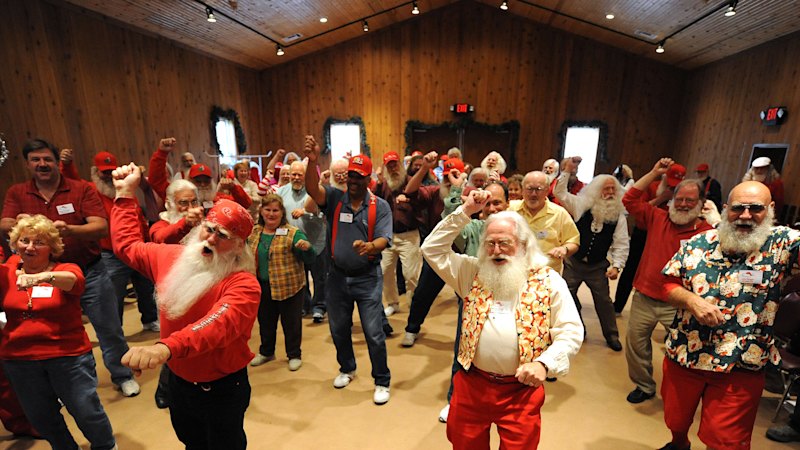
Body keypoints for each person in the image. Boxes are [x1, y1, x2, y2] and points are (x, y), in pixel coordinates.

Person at [111, 163, 260, 449]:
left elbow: (217, 325)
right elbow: (126, 246)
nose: (211, 239)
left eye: (223, 235)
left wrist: (164, 348)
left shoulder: (243, 284)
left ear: (239, 246)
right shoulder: (170, 256)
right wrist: (125, 194)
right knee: (190, 441)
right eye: (209, 229)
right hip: (179, 382)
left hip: (221, 389)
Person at [422, 189, 583, 449]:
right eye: (490, 243)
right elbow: (431, 249)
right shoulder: (472, 272)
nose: (497, 251)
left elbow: (571, 331)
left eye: (505, 243)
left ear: (524, 245)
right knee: (464, 444)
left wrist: (544, 364)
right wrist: (466, 212)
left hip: (521, 390)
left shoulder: (549, 281)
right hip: (472, 383)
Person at [658, 181, 800, 450]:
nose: (745, 215)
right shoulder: (698, 243)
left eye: (755, 208)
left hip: (741, 364)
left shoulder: (782, 243)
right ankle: (679, 443)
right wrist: (691, 301)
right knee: (675, 418)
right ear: (725, 209)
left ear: (770, 209)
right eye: (738, 208)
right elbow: (667, 283)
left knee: (725, 440)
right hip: (686, 352)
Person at [1, 138, 139, 397]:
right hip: (41, 277)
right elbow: (4, 224)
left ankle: (122, 374)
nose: (42, 164)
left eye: (47, 159)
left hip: (89, 270)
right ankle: (67, 385)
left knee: (108, 327)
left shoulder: (81, 188)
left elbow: (100, 227)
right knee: (50, 329)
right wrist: (20, 222)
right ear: (28, 164)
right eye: (35, 160)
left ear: (57, 162)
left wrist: (70, 229)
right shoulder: (17, 192)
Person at [1, 215, 116, 450]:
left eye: (39, 242)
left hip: (67, 356)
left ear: (52, 247)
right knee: (41, 416)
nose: (30, 247)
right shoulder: (7, 273)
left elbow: (74, 281)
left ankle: (105, 446)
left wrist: (41, 277)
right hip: (20, 359)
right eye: (24, 240)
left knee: (86, 411)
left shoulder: (66, 269)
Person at [303, 136, 393, 405]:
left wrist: (370, 246)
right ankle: (347, 368)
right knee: (339, 328)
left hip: (367, 278)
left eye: (359, 177)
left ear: (368, 180)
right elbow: (312, 188)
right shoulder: (334, 199)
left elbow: (384, 238)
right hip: (337, 277)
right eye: (351, 175)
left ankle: (382, 380)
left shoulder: (380, 206)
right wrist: (312, 161)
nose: (353, 181)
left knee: (373, 332)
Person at [622, 158, 713, 404]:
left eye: (689, 201)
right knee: (636, 344)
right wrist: (654, 172)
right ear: (671, 200)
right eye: (679, 199)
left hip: (680, 304)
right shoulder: (657, 217)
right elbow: (629, 199)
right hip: (644, 296)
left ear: (701, 204)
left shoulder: (708, 233)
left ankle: (680, 392)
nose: (683, 204)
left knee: (684, 348)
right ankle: (644, 385)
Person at [62, 150, 159, 332]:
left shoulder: (126, 190)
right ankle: (116, 328)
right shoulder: (91, 190)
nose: (107, 175)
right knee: (114, 293)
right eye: (104, 172)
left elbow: (139, 218)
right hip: (110, 253)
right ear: (95, 171)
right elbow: (71, 180)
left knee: (146, 286)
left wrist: (147, 240)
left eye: (110, 171)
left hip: (137, 247)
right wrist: (67, 165)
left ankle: (150, 319)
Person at [552, 159, 629, 351]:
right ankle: (578, 328)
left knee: (604, 302)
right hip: (574, 263)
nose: (610, 193)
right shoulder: (581, 205)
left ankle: (612, 335)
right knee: (566, 295)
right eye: (606, 189)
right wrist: (567, 171)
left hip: (597, 266)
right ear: (596, 190)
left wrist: (617, 266)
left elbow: (621, 243)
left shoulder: (618, 216)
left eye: (613, 189)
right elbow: (560, 193)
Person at [248, 195, 315, 371]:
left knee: (291, 324)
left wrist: (307, 248)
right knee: (265, 322)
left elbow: (310, 258)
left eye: (275, 210)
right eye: (267, 210)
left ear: (282, 213)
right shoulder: (254, 232)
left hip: (289, 287)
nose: (271, 214)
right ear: (261, 211)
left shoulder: (293, 233)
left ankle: (294, 355)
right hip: (262, 287)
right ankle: (267, 352)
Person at [276, 161, 329, 321]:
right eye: (294, 174)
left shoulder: (316, 191)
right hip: (293, 243)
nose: (296, 177)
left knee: (319, 277)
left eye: (300, 175)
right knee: (300, 277)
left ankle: (319, 306)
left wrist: (305, 212)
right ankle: (304, 305)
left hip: (316, 242)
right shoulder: (281, 192)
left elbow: (323, 213)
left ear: (306, 176)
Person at [376, 151, 423, 317]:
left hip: (409, 236)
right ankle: (392, 303)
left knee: (411, 275)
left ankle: (413, 305)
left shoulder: (411, 182)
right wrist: (378, 183)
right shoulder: (383, 185)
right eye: (389, 165)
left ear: (400, 165)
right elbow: (374, 203)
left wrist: (409, 200)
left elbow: (422, 201)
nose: (393, 168)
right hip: (388, 236)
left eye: (395, 164)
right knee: (385, 271)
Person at [509, 171, 580, 274]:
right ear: (523, 190)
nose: (533, 194)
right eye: (529, 189)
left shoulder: (559, 214)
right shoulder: (510, 209)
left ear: (547, 190)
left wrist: (564, 249)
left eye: (538, 189)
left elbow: (573, 241)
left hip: (547, 275)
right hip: (515, 272)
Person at [149, 179, 204, 244]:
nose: (190, 208)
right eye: (183, 203)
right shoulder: (159, 226)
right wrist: (186, 223)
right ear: (169, 204)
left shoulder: (203, 223)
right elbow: (160, 239)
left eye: (194, 202)